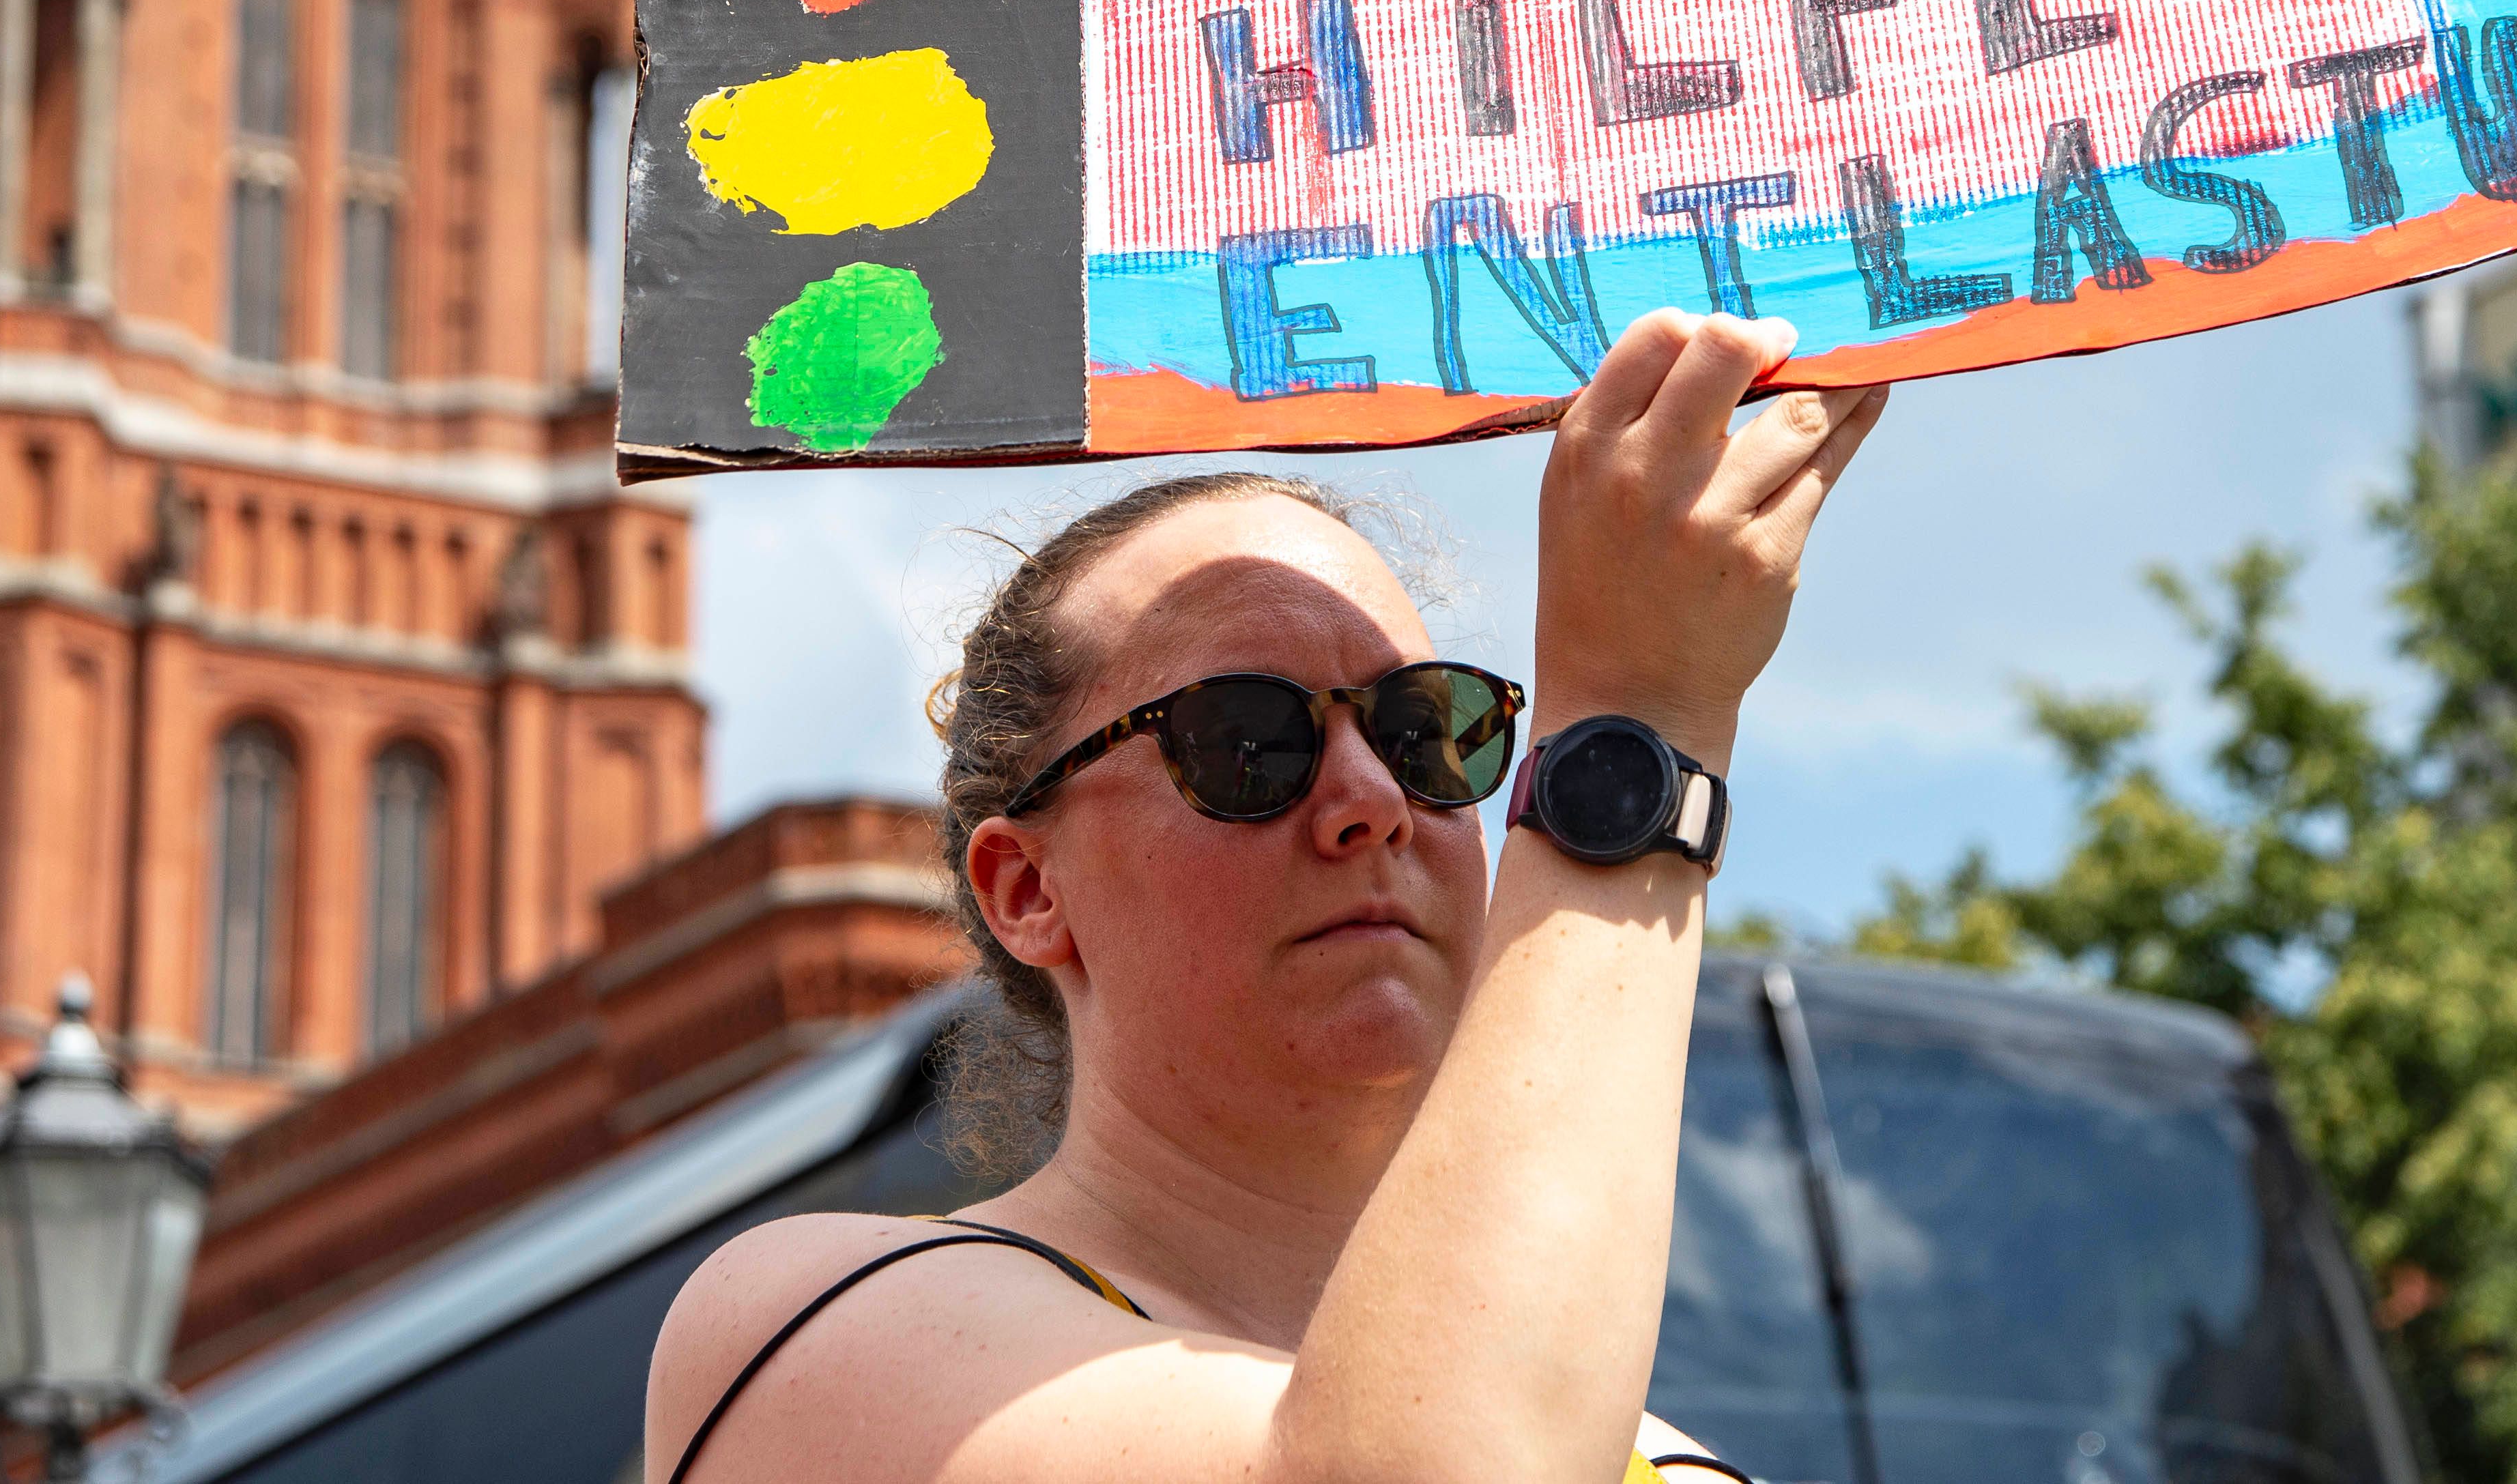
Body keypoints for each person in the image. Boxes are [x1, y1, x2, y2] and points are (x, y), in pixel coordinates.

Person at [643, 308, 1888, 1484]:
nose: (1370, 799)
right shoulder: (817, 1330)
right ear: (1027, 886)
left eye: (1424, 731)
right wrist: (1632, 734)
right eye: (1246, 741)